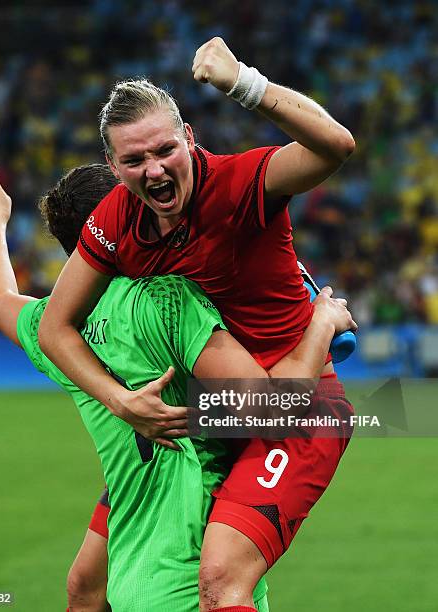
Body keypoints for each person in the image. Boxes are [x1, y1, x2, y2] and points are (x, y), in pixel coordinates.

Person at [38, 38, 356, 611]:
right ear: (113, 168)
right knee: (87, 584)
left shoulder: (239, 184)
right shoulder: (118, 219)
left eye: (164, 150)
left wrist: (243, 83)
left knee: (220, 582)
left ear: (189, 138)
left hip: (298, 412)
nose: (154, 170)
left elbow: (336, 146)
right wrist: (119, 400)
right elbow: (53, 326)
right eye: (133, 161)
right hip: (215, 418)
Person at [0, 148, 355, 611]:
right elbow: (274, 407)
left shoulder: (55, 329)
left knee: (82, 589)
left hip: (131, 578)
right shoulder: (168, 302)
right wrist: (321, 323)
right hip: (190, 580)